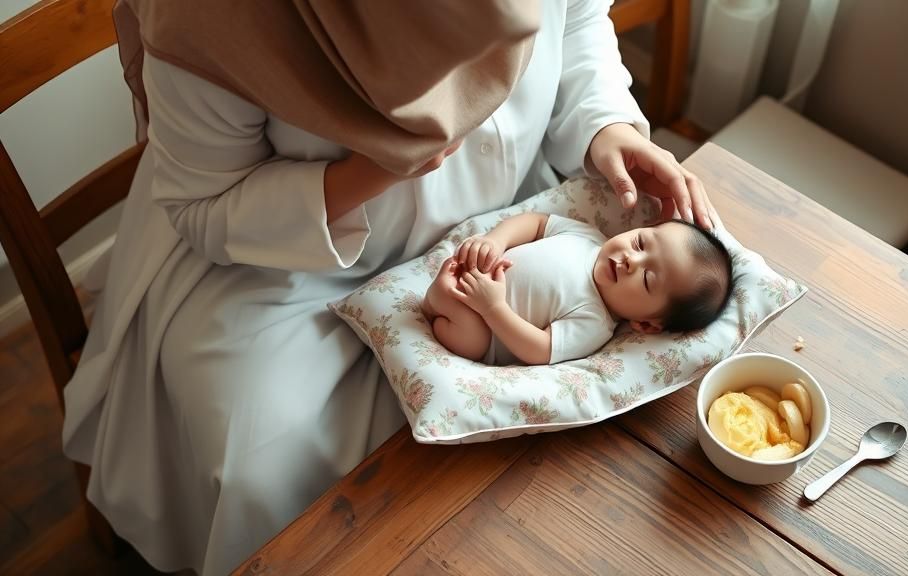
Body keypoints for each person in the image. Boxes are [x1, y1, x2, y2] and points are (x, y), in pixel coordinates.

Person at [62, 1, 718, 573]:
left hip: (510, 213)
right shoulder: (211, 17)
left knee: (542, 496)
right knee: (275, 472)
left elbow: (577, 19)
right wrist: (372, 171)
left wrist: (605, 125)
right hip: (287, 272)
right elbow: (208, 207)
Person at [423, 213, 733, 365]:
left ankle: (441, 302)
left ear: (646, 324)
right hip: (476, 272)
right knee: (466, 255)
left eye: (648, 279)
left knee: (471, 337)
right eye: (640, 242)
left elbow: (539, 349)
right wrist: (496, 240)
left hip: (482, 330)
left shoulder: (594, 322)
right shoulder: (587, 237)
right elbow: (536, 223)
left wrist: (493, 309)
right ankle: (441, 294)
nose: (631, 261)